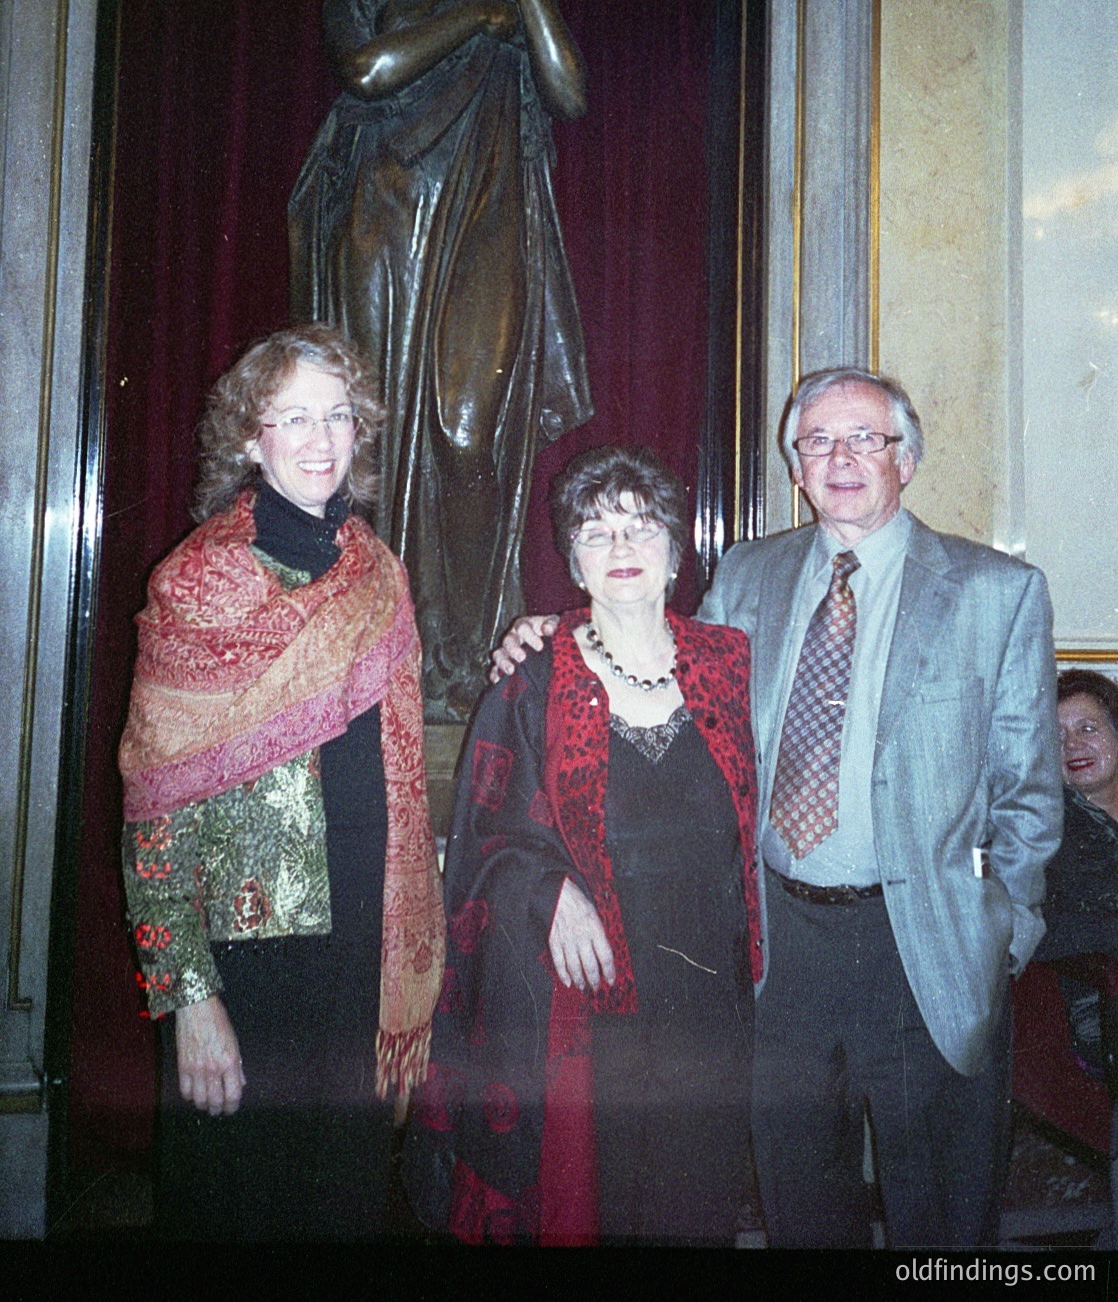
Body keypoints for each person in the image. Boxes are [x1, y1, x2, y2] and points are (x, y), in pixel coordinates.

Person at [493, 368, 1062, 1247]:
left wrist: (1005, 931)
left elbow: (1030, 792)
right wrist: (549, 630)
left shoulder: (995, 592)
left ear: (906, 458)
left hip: (927, 948)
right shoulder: (748, 578)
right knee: (803, 1197)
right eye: (816, 443)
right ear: (795, 468)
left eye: (864, 439)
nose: (839, 459)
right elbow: (655, 655)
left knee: (940, 1215)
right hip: (777, 949)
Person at [119, 323, 445, 1240]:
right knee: (233, 1207)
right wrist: (189, 998)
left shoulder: (377, 571)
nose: (321, 439)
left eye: (339, 416)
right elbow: (152, 812)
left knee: (341, 1203)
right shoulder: (197, 582)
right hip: (244, 961)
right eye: (293, 417)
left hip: (358, 945)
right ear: (250, 438)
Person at [408, 445, 761, 1245]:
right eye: (597, 534)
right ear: (572, 559)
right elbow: (481, 836)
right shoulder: (529, 679)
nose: (623, 549)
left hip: (707, 998)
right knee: (598, 1209)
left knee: (694, 1206)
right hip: (588, 994)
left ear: (677, 551)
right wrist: (546, 892)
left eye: (641, 528)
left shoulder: (731, 665)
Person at [288, 0, 593, 720]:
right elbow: (371, 72)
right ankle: (378, 665)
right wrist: (476, 20)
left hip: (485, 224)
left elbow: (570, 93)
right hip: (383, 225)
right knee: (371, 442)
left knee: (470, 436)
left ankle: (462, 669)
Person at [1035, 670, 1118, 1070]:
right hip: (1104, 1009)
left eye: (1088, 728)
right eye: (1058, 736)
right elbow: (1035, 926)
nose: (1072, 745)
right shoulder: (1043, 832)